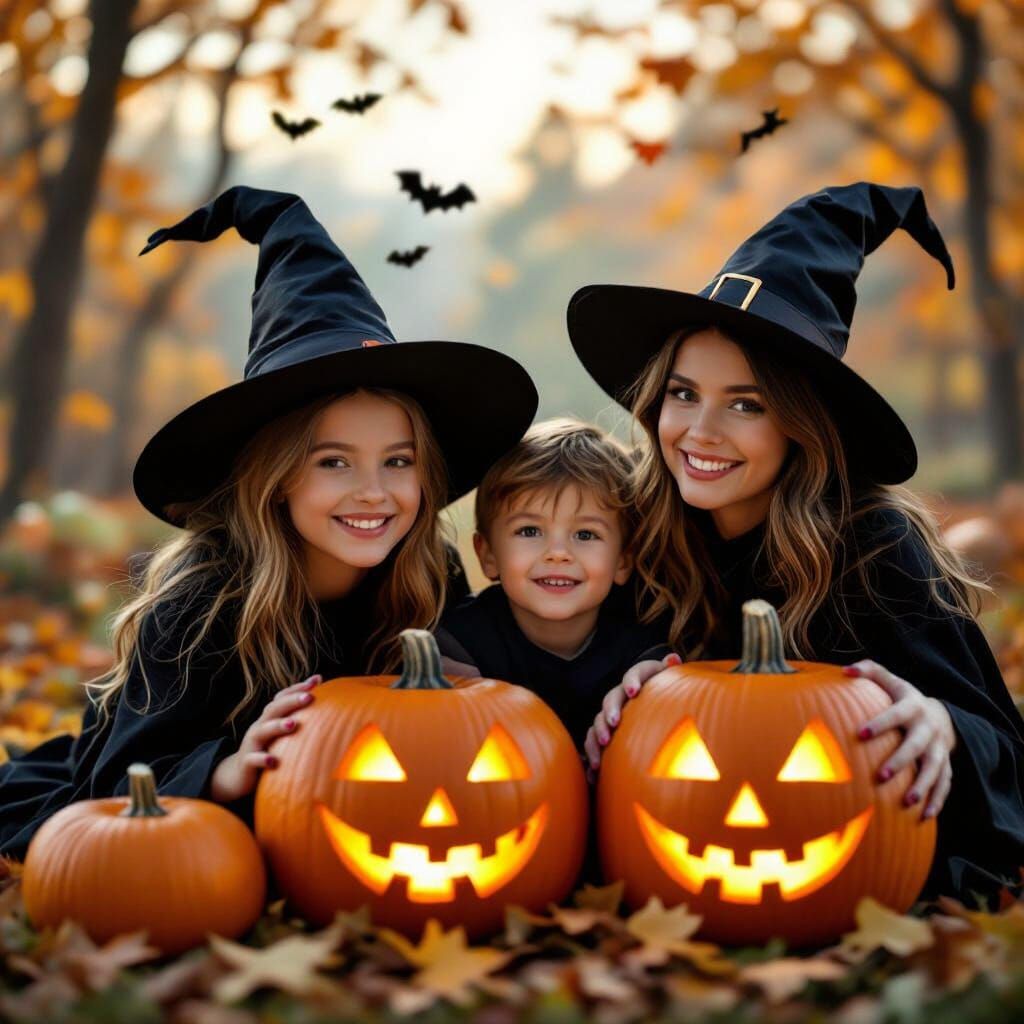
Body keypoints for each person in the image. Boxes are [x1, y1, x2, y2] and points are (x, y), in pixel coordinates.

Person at [0, 186, 537, 858]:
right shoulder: (202, 602)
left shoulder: (430, 571)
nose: (373, 492)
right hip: (175, 826)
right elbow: (117, 781)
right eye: (334, 463)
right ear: (276, 478)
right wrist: (226, 769)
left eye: (397, 461)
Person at [567, 182, 1024, 904]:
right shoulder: (647, 533)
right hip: (680, 873)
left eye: (745, 404)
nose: (701, 432)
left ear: (801, 423)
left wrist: (943, 724)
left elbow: (1007, 754)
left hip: (865, 868)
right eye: (683, 394)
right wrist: (625, 696)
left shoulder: (874, 548)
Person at [435, 419, 670, 750]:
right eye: (530, 531)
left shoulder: (647, 643)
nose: (558, 553)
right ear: (487, 555)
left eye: (585, 534)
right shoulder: (457, 647)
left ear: (623, 560)